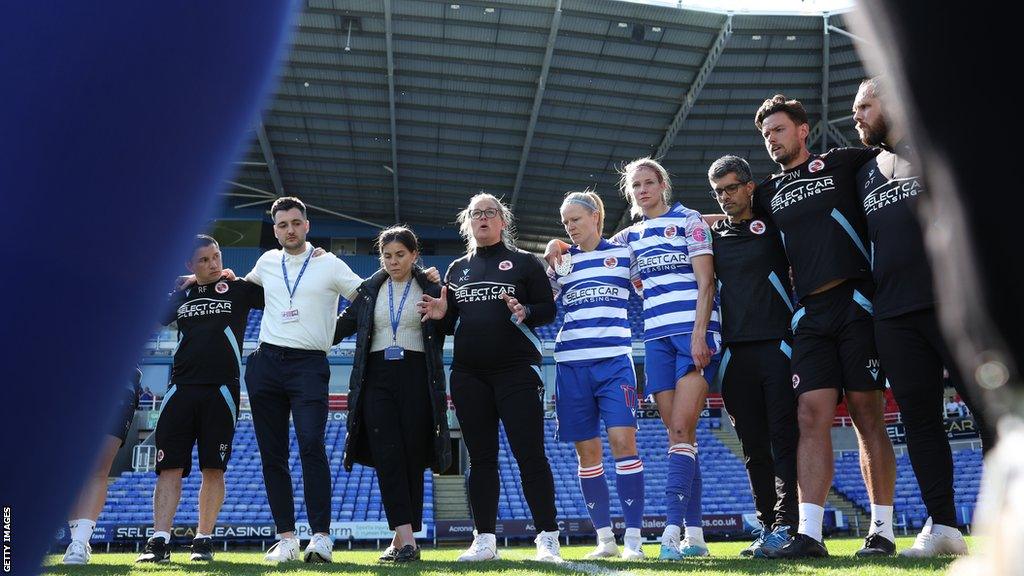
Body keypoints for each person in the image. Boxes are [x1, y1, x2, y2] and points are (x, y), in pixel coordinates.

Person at [548, 158, 722, 560]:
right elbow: (580, 257)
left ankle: (670, 534)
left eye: (649, 182)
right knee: (682, 436)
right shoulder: (627, 240)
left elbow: (707, 272)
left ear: (663, 184)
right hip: (655, 340)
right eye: (636, 185)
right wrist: (554, 247)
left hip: (694, 336)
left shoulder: (688, 220)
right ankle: (694, 535)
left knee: (679, 431)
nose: (643, 190)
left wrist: (700, 333)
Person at [750, 95, 897, 559]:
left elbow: (894, 149)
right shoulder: (767, 192)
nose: (771, 139)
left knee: (865, 415)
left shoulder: (843, 162)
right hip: (809, 315)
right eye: (764, 134)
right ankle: (810, 534)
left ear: (802, 130)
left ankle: (883, 531)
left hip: (855, 302)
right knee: (809, 415)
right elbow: (727, 222)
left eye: (777, 129)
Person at [852, 76, 994, 556]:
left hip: (953, 302)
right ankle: (944, 527)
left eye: (866, 106)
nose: (858, 116)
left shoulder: (937, 145)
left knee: (990, 412)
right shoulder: (865, 171)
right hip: (893, 313)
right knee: (919, 422)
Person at [418, 193, 562, 563]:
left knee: (530, 455)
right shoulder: (456, 270)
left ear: (503, 221)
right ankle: (483, 540)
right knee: (481, 459)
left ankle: (547, 538)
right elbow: (452, 323)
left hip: (516, 371)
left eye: (490, 213)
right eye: (476, 214)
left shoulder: (525, 263)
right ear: (468, 223)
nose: (483, 218)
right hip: (468, 375)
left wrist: (526, 309)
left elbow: (547, 309)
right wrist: (439, 313)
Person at [136, 234, 264, 563]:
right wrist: (181, 284)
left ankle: (203, 540)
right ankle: (159, 541)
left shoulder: (239, 289)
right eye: (203, 260)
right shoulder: (183, 293)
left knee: (213, 468)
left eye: (216, 257)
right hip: (180, 389)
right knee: (169, 468)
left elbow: (283, 291)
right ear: (190, 265)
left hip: (221, 390)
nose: (212, 264)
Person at [332, 226, 452, 564]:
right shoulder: (369, 292)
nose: (393, 261)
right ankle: (406, 538)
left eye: (400, 255)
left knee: (413, 459)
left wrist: (444, 309)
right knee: (388, 456)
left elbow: (448, 323)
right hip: (376, 379)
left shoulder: (431, 286)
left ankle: (404, 541)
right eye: (387, 255)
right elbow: (339, 327)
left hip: (417, 377)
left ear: (415, 255)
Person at [706, 155, 799, 557]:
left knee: (784, 439)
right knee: (753, 446)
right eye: (718, 192)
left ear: (749, 187)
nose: (725, 197)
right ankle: (766, 526)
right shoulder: (712, 236)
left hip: (778, 344)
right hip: (734, 354)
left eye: (731, 188)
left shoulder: (775, 223)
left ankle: (789, 526)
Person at [548, 191, 645, 560]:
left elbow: (649, 289)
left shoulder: (623, 256)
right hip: (571, 367)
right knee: (587, 455)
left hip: (615, 364)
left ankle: (634, 539)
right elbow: (543, 303)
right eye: (565, 222)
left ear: (596, 217)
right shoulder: (561, 262)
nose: (570, 227)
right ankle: (605, 540)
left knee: (624, 444)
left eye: (575, 219)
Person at [61, 367, 142, 565]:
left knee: (98, 467)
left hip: (119, 382)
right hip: (71, 382)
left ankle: (79, 542)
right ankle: (78, 540)